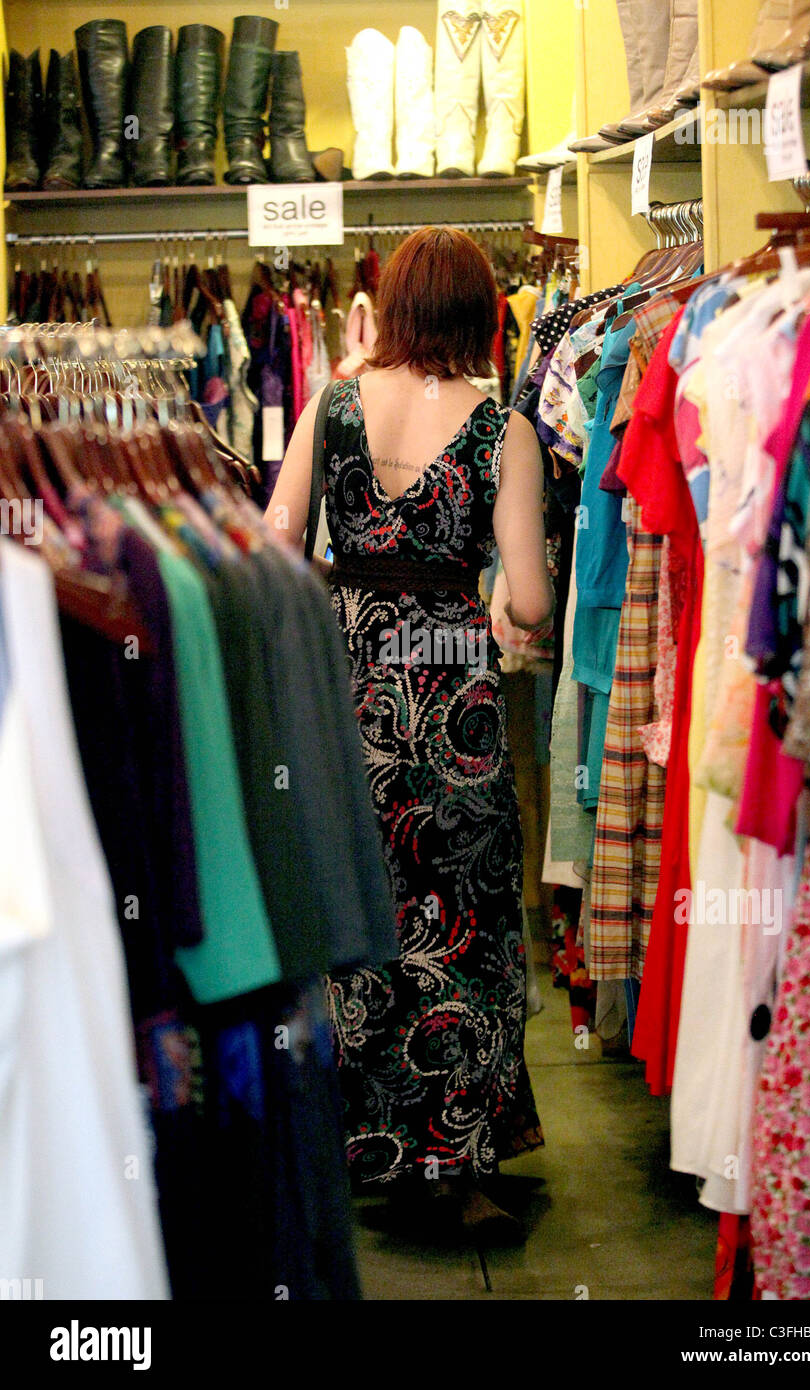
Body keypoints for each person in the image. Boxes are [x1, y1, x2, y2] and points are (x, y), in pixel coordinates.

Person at [265, 225, 554, 1241]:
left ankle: (362, 1142)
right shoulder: (499, 429)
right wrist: (495, 608)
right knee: (463, 921)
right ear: (477, 315)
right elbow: (527, 596)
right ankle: (453, 1159)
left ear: (391, 307)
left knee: (359, 908)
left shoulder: (330, 405)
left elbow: (272, 547)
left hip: (346, 693)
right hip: (450, 698)